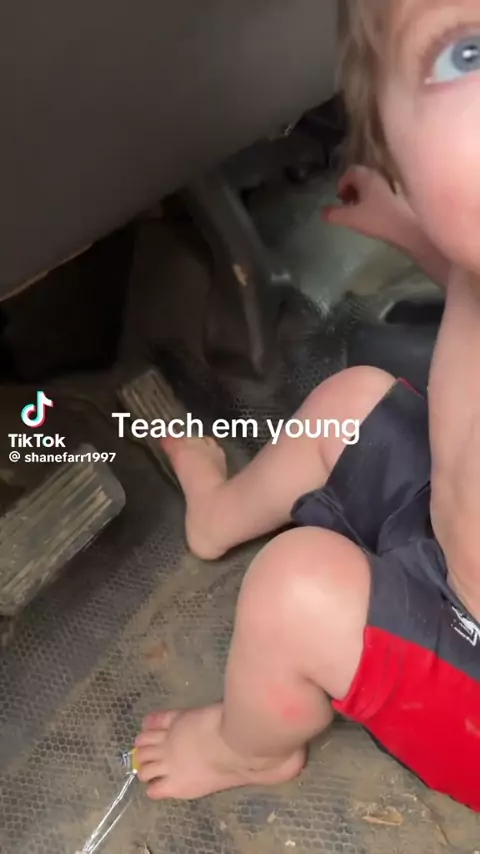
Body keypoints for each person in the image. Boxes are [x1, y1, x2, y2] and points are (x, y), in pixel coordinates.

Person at [134, 0, 480, 810]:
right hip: (445, 537)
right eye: (467, 54)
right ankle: (217, 516)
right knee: (351, 401)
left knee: (294, 591)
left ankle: (247, 749)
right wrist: (424, 235)